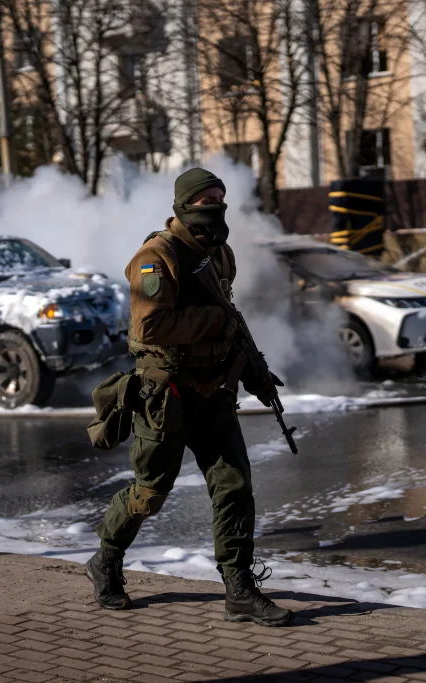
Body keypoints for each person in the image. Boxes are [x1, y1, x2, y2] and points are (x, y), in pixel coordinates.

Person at [86, 168, 293, 626]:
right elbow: (150, 328)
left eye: (221, 196)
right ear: (183, 205)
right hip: (169, 394)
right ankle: (106, 558)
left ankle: (239, 588)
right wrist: (214, 324)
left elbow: (230, 321)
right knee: (151, 491)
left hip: (215, 391)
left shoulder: (220, 255)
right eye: (206, 199)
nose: (216, 205)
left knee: (234, 486)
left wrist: (254, 374)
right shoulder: (156, 257)